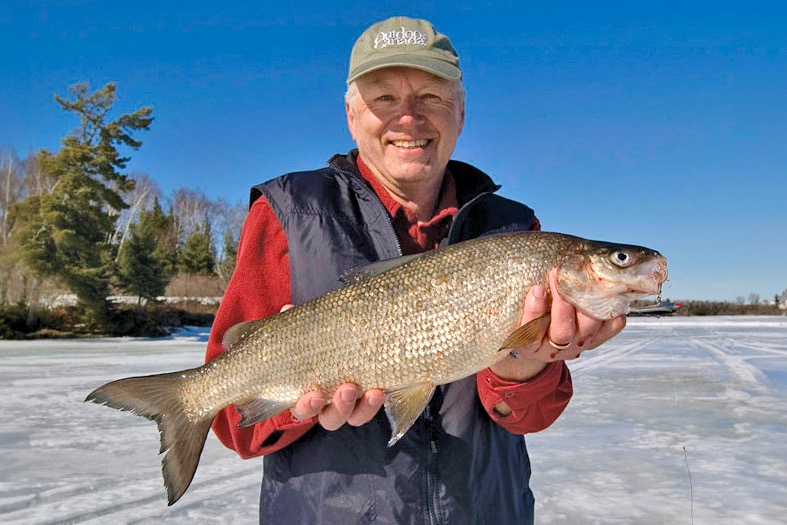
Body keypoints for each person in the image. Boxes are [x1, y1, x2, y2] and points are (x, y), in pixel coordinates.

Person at [206, 16, 625, 524]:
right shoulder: (287, 212)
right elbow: (234, 424)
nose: (408, 118)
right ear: (351, 113)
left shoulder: (515, 228)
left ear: (462, 111)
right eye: (384, 98)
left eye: (431, 97)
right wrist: (300, 400)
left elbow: (532, 415)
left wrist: (521, 364)